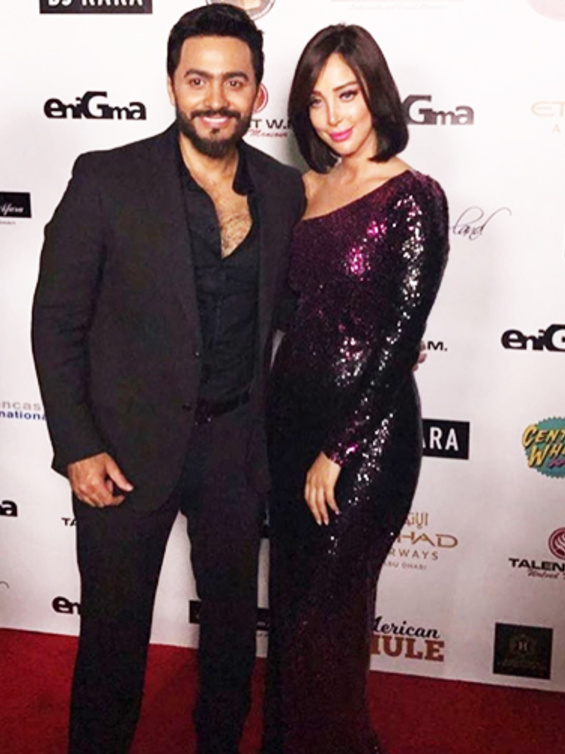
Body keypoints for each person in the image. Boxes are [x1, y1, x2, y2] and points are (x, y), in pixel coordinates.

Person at [31, 5, 304, 753]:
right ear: (171, 85)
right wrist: (78, 446)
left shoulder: (284, 190)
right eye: (198, 79)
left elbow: (293, 305)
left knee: (230, 632)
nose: (215, 98)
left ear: (257, 92)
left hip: (235, 448)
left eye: (233, 82)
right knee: (112, 637)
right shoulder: (105, 178)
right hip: (122, 450)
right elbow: (56, 322)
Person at [262, 24, 449, 754]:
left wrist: (338, 449)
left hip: (365, 439)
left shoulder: (414, 195)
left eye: (347, 94)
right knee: (290, 608)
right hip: (290, 420)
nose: (332, 115)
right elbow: (292, 310)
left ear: (376, 93)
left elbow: (402, 333)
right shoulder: (307, 189)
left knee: (329, 618)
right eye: (316, 101)